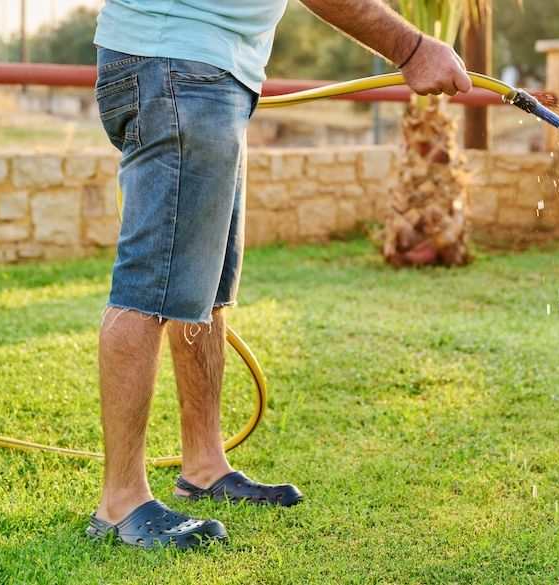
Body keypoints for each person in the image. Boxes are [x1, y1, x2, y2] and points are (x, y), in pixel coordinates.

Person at [87, 0, 473, 548]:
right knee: (150, 287)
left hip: (202, 68)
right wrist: (411, 49)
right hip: (177, 61)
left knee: (203, 287)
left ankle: (204, 466)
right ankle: (120, 502)